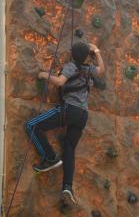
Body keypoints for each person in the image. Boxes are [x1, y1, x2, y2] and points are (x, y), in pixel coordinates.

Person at [25, 42, 105, 204]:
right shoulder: (89, 70)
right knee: (69, 147)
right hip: (83, 114)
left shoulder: (71, 66)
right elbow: (102, 70)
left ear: (72, 54)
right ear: (86, 56)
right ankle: (67, 186)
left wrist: (44, 75)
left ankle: (49, 157)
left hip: (69, 109)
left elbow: (61, 82)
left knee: (31, 125)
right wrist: (96, 51)